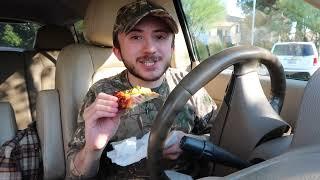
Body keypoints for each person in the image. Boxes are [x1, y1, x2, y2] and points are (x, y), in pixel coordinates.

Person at [67, 0, 217, 179]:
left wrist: (190, 142)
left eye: (160, 36)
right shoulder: (102, 94)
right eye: (136, 37)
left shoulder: (189, 84)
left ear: (172, 47)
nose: (150, 49)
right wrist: (92, 149)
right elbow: (77, 174)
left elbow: (220, 138)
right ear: (118, 52)